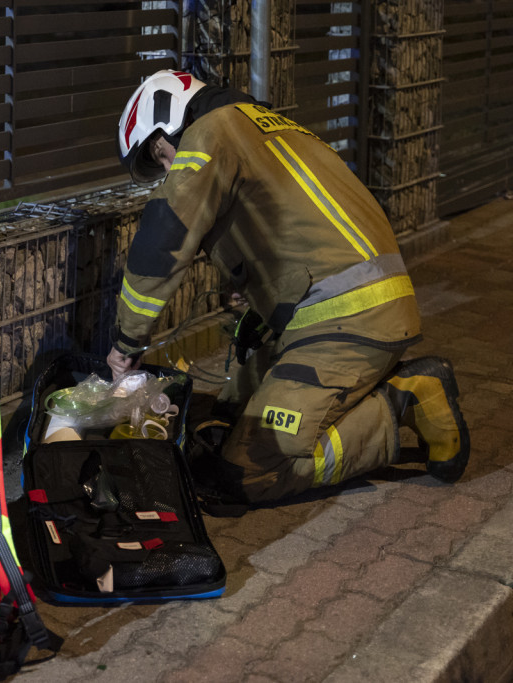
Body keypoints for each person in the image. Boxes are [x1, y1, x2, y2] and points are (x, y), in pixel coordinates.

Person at [107, 70, 470, 503]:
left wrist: (127, 343)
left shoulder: (208, 134)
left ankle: (405, 397)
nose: (169, 168)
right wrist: (262, 301)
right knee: (229, 414)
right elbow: (304, 227)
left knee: (248, 470)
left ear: (170, 121)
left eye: (161, 154)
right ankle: (357, 394)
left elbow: (162, 241)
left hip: (345, 319)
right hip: (356, 305)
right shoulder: (268, 126)